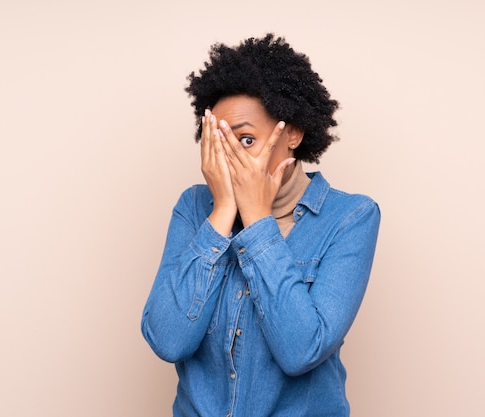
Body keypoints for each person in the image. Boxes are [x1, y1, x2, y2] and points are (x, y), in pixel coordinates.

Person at [141, 33, 380, 417]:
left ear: (294, 134)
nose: (230, 158)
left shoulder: (351, 217)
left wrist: (256, 219)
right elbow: (168, 340)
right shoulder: (194, 206)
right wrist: (221, 214)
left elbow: (302, 349)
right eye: (217, 144)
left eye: (246, 140)